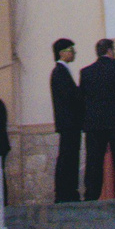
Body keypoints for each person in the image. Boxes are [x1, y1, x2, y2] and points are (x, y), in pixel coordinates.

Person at [80, 37, 115, 199]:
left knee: (94, 161)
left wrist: (86, 122)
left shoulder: (86, 72)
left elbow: (82, 99)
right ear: (110, 51)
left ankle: (92, 193)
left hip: (94, 124)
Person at [48, 38, 83, 203]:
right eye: (71, 49)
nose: (74, 52)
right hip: (69, 122)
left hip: (70, 123)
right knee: (68, 157)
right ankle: (66, 192)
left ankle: (68, 190)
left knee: (69, 155)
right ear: (62, 53)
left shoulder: (63, 71)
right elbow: (70, 97)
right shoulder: (60, 72)